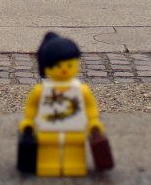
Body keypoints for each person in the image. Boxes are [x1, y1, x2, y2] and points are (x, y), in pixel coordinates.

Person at [17, 32, 110, 176]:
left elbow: (90, 107)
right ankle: (48, 165)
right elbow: (32, 107)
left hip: (75, 129)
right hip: (48, 129)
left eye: (69, 64)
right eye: (57, 65)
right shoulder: (41, 91)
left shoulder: (81, 90)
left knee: (74, 149)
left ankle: (74, 165)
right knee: (48, 148)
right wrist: (29, 121)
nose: (64, 69)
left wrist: (93, 121)